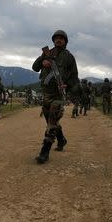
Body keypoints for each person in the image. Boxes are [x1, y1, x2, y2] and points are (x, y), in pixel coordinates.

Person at [32, 30, 79, 164]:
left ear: (65, 41)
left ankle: (44, 152)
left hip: (59, 94)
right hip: (47, 93)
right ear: (53, 40)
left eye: (61, 38)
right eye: (56, 38)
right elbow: (34, 67)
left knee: (52, 122)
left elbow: (74, 77)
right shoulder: (47, 53)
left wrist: (68, 87)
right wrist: (42, 61)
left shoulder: (69, 57)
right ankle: (62, 139)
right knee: (50, 121)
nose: (58, 40)